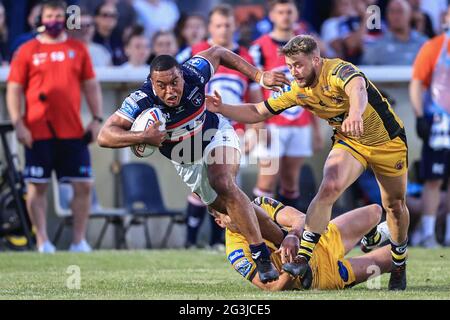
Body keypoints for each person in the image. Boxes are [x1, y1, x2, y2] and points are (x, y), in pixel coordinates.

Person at [205, 34, 410, 290]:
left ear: (316, 59)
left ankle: (399, 261)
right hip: (351, 142)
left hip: (388, 143)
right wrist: (222, 108)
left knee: (393, 206)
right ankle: (303, 257)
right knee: (329, 186)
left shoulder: (339, 70)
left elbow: (357, 89)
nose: (294, 72)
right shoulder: (298, 90)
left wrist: (355, 113)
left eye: (298, 65)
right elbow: (258, 111)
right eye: (289, 66)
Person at [97, 46, 290, 283]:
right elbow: (104, 136)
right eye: (162, 86)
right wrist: (141, 137)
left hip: (215, 134)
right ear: (152, 84)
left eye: (175, 82)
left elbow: (219, 52)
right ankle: (285, 240)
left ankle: (261, 255)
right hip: (186, 159)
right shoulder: (140, 100)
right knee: (230, 213)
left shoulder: (193, 73)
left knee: (223, 181)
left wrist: (260, 76)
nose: (171, 90)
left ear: (181, 75)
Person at [6, 0, 103, 253]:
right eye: (50, 15)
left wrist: (96, 118)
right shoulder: (27, 51)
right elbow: (14, 89)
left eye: (59, 15)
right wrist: (18, 123)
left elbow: (91, 86)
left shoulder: (77, 49)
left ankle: (78, 241)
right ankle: (43, 242)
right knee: (36, 186)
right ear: (41, 17)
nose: (55, 20)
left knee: (83, 185)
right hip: (37, 132)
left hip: (73, 132)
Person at [176, 4, 264, 250]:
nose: (223, 30)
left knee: (224, 183)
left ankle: (217, 240)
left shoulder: (247, 57)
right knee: (201, 185)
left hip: (231, 130)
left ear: (234, 27)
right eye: (218, 25)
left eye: (228, 25)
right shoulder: (193, 52)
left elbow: (255, 98)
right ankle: (191, 241)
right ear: (209, 28)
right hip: (199, 127)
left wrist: (253, 131)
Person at [213, 196, 391, 291]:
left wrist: (293, 235)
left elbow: (300, 218)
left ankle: (372, 239)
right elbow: (272, 287)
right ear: (220, 222)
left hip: (319, 240)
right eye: (229, 212)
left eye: (238, 206)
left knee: (374, 211)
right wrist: (293, 270)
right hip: (322, 274)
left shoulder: (259, 204)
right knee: (396, 256)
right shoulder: (236, 251)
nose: (239, 214)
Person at [249, 0, 323, 210]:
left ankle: (289, 232)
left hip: (300, 122)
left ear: (296, 14)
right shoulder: (259, 47)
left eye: (289, 11)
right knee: (267, 180)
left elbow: (314, 88)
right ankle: (260, 234)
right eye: (280, 11)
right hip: (270, 122)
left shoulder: (308, 47)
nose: (285, 16)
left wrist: (316, 128)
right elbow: (254, 88)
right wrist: (258, 124)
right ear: (271, 15)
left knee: (291, 180)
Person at [409, 3, 450, 247]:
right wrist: (420, 115)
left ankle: (447, 233)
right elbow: (417, 83)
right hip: (439, 123)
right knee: (433, 178)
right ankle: (426, 232)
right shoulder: (434, 46)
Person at [362, 0, 428, 65]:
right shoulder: (377, 48)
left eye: (400, 11)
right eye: (392, 12)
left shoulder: (424, 44)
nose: (396, 16)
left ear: (410, 14)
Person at [93, 1, 126, 65]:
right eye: (105, 15)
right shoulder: (91, 38)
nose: (109, 18)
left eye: (113, 15)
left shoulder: (120, 38)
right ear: (96, 18)